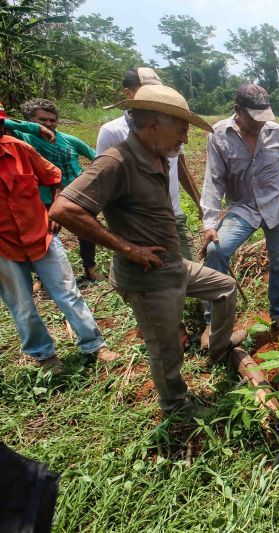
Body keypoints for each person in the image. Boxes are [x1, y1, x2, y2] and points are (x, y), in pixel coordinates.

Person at [50, 85, 242, 417]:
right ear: (154, 125)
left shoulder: (156, 155)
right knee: (167, 349)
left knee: (225, 288)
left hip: (172, 264)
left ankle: (220, 347)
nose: (184, 139)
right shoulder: (117, 161)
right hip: (148, 277)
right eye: (181, 129)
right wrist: (127, 248)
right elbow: (64, 209)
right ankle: (176, 407)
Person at [0, 100, 116, 376]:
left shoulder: (18, 149)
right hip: (5, 246)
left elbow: (52, 177)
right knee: (23, 306)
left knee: (68, 293)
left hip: (41, 235)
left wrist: (54, 209)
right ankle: (44, 355)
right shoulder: (25, 138)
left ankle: (94, 345)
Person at [200, 84, 279, 338]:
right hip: (243, 207)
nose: (261, 124)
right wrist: (209, 223)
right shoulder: (219, 135)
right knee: (215, 250)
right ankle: (214, 321)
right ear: (238, 110)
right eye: (255, 118)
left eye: (265, 117)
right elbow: (213, 181)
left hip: (277, 206)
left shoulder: (277, 132)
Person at [96, 67, 201, 262]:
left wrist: (200, 203)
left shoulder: (171, 129)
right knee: (153, 284)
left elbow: (182, 168)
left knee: (188, 272)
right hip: (138, 224)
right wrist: (126, 244)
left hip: (173, 215)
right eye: (148, 90)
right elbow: (102, 187)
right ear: (128, 94)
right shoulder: (112, 132)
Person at [5, 98, 102, 282]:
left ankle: (90, 267)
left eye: (52, 120)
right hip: (42, 198)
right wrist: (34, 129)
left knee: (87, 233)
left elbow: (96, 157)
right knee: (43, 240)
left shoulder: (69, 140)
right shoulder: (21, 138)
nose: (49, 124)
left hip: (75, 196)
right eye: (42, 120)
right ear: (30, 121)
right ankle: (42, 279)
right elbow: (4, 122)